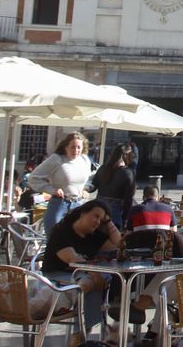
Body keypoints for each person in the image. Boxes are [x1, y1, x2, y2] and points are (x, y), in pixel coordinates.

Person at [41, 201, 122, 335]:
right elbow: (72, 259)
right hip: (55, 275)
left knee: (97, 280)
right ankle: (81, 332)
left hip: (80, 276)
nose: (97, 222)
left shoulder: (93, 236)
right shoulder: (62, 231)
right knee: (93, 280)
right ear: (83, 212)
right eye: (95, 216)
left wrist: (108, 222)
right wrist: (95, 274)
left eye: (101, 220)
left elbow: (119, 245)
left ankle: (82, 334)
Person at [29, 132, 93, 239]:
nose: (76, 151)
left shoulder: (85, 160)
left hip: (77, 204)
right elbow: (33, 178)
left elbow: (88, 179)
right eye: (73, 147)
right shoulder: (57, 159)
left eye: (79, 147)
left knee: (76, 239)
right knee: (55, 239)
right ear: (65, 147)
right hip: (59, 203)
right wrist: (51, 190)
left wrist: (85, 189)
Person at [90, 143, 137, 226]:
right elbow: (128, 199)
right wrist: (125, 218)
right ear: (129, 157)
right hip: (116, 208)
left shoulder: (103, 168)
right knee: (113, 234)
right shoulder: (128, 173)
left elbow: (93, 186)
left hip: (99, 204)